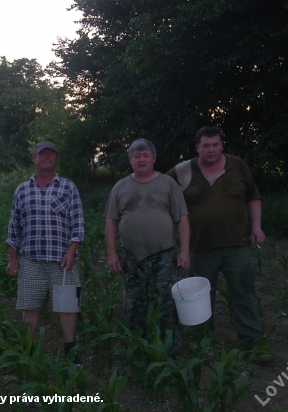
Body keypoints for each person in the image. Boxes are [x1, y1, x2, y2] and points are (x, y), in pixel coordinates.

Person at [168, 126, 266, 352]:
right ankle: (204, 344)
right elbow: (161, 190)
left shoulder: (238, 165)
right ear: (197, 148)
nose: (211, 150)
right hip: (200, 248)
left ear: (222, 145)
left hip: (237, 245)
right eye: (206, 146)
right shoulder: (182, 171)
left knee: (243, 294)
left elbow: (253, 196)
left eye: (215, 145)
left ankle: (253, 344)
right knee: (200, 299)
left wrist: (257, 227)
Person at [105, 138, 190, 344]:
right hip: (131, 256)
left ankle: (170, 345)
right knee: (134, 303)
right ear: (130, 160)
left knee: (168, 301)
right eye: (136, 156)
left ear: (153, 158)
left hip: (164, 255)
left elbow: (182, 219)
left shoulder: (168, 184)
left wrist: (184, 251)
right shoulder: (120, 187)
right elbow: (111, 221)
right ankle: (136, 345)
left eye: (145, 155)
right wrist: (112, 254)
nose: (141, 159)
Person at [6, 141, 85, 362]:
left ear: (56, 159)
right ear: (34, 158)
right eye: (42, 154)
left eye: (51, 154)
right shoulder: (22, 190)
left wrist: (71, 252)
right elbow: (14, 227)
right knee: (29, 307)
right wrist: (12, 259)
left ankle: (70, 349)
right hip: (31, 260)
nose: (47, 157)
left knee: (68, 306)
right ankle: (28, 350)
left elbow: (78, 223)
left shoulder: (68, 187)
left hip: (63, 260)